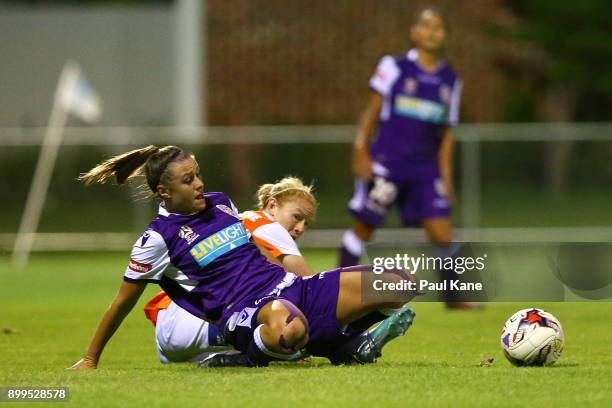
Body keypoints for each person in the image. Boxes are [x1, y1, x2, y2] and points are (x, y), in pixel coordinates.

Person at [69, 145, 416, 369]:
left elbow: (251, 250)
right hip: (244, 311)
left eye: (199, 174)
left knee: (399, 283)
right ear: (164, 191)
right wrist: (90, 357)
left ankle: (342, 345)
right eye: (189, 180)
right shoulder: (158, 239)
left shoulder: (221, 202)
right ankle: (243, 357)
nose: (200, 184)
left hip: (289, 288)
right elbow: (122, 302)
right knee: (288, 326)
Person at [338, 8, 470, 308]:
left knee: (443, 233)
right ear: (414, 32)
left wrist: (445, 178)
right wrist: (361, 151)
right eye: (426, 26)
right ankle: (337, 289)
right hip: (387, 164)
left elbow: (446, 136)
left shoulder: (451, 80)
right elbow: (371, 111)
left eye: (438, 27)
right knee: (364, 228)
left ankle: (454, 299)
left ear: (445, 34)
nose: (432, 32)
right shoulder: (394, 66)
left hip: (425, 169)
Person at [144, 177, 318, 363]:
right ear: (272, 205)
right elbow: (312, 290)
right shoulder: (271, 227)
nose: (300, 228)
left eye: (306, 223)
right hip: (201, 324)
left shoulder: (229, 218)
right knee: (298, 324)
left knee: (279, 319)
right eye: (297, 217)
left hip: (171, 327)